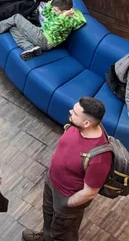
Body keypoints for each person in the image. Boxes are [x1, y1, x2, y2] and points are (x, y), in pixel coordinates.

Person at [21, 98, 112, 241]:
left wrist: (67, 204)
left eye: (75, 112)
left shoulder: (100, 158)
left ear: (86, 123)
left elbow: (89, 193)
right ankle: (45, 237)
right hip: (52, 182)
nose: (70, 111)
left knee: (62, 234)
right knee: (48, 215)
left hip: (67, 197)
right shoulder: (76, 126)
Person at [0, 0, 86, 60]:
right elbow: (45, 13)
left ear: (65, 11)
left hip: (44, 39)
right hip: (42, 37)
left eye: (56, 10)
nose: (53, 11)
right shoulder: (60, 13)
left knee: (17, 18)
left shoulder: (67, 20)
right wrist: (51, 2)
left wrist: (63, 17)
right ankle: (29, 48)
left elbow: (54, 27)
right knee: (12, 27)